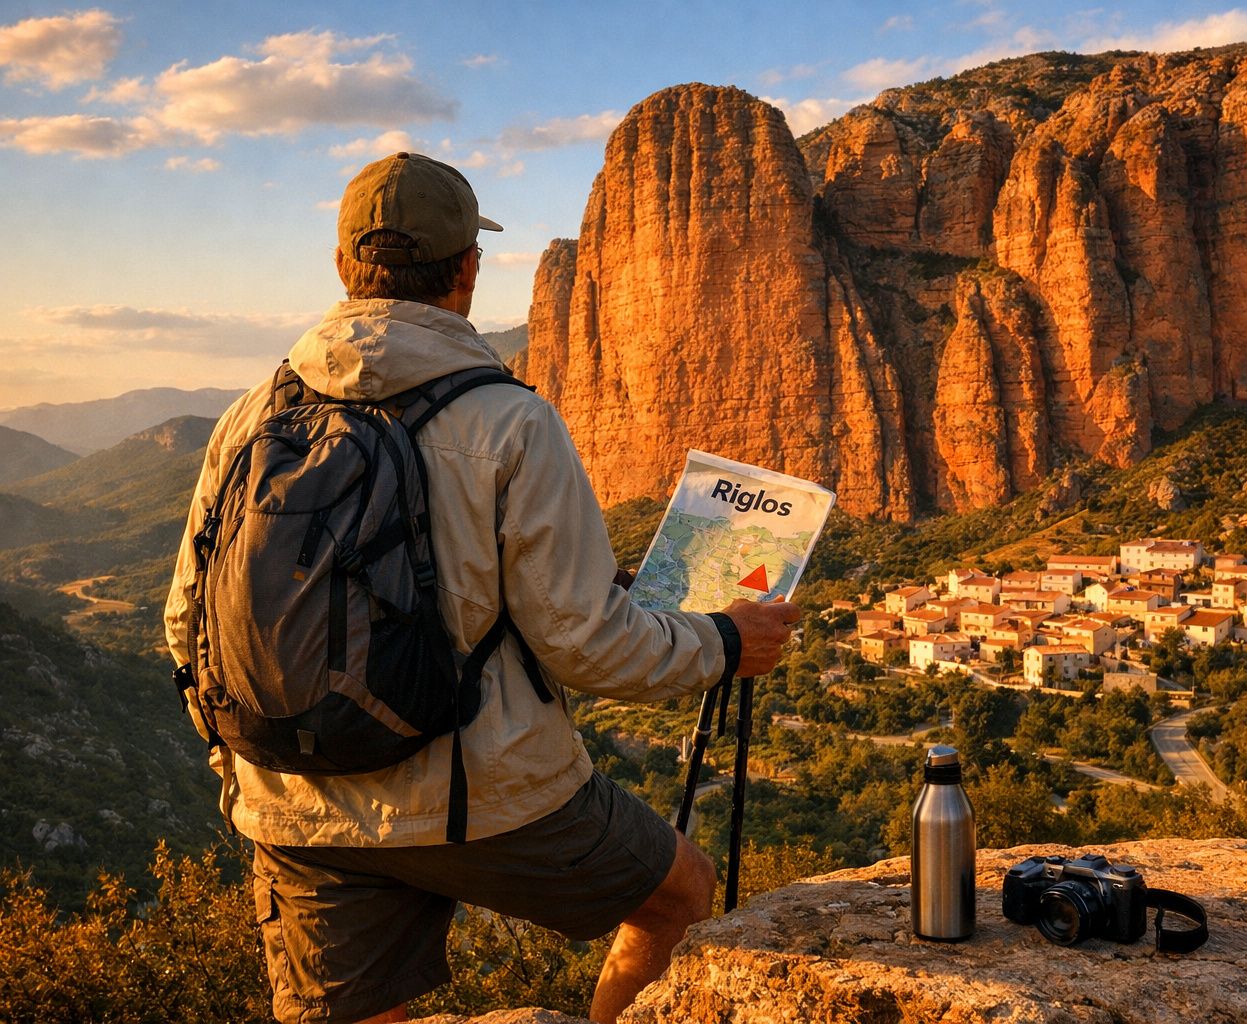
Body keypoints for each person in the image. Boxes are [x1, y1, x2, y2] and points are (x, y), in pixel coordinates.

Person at [163, 152, 801, 1024]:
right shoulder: (510, 420)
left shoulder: (251, 413)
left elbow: (184, 621)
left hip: (292, 801)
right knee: (679, 894)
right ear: (466, 270)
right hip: (485, 799)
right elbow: (587, 644)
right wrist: (727, 642)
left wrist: (243, 758)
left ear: (345, 266)